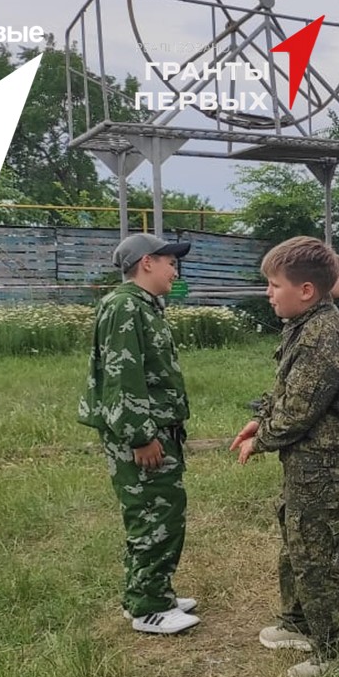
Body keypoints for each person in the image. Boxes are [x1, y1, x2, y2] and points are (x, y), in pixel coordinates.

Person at [229, 236, 339, 677]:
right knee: (296, 534)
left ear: (306, 290)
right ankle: (299, 623)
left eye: (273, 285)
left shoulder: (319, 337)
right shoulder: (304, 324)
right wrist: (261, 420)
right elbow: (288, 390)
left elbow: (297, 412)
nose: (268, 293)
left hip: (324, 459)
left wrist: (264, 437)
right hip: (308, 455)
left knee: (317, 551)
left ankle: (337, 652)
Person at [78, 232, 199, 635]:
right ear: (146, 262)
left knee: (159, 510)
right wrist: (140, 436)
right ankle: (150, 608)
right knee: (154, 514)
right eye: (168, 261)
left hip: (155, 427)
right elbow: (122, 377)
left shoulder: (142, 305)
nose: (174, 268)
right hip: (143, 433)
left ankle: (150, 591)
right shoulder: (125, 307)